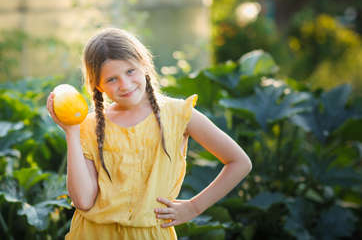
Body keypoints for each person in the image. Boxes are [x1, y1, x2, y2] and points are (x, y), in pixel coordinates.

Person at [46, 28, 252, 240]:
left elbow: (239, 162)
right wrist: (71, 132)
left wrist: (194, 207)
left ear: (143, 64)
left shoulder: (178, 114)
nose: (125, 85)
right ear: (97, 84)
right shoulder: (89, 126)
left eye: (130, 71)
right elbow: (83, 201)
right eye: (111, 79)